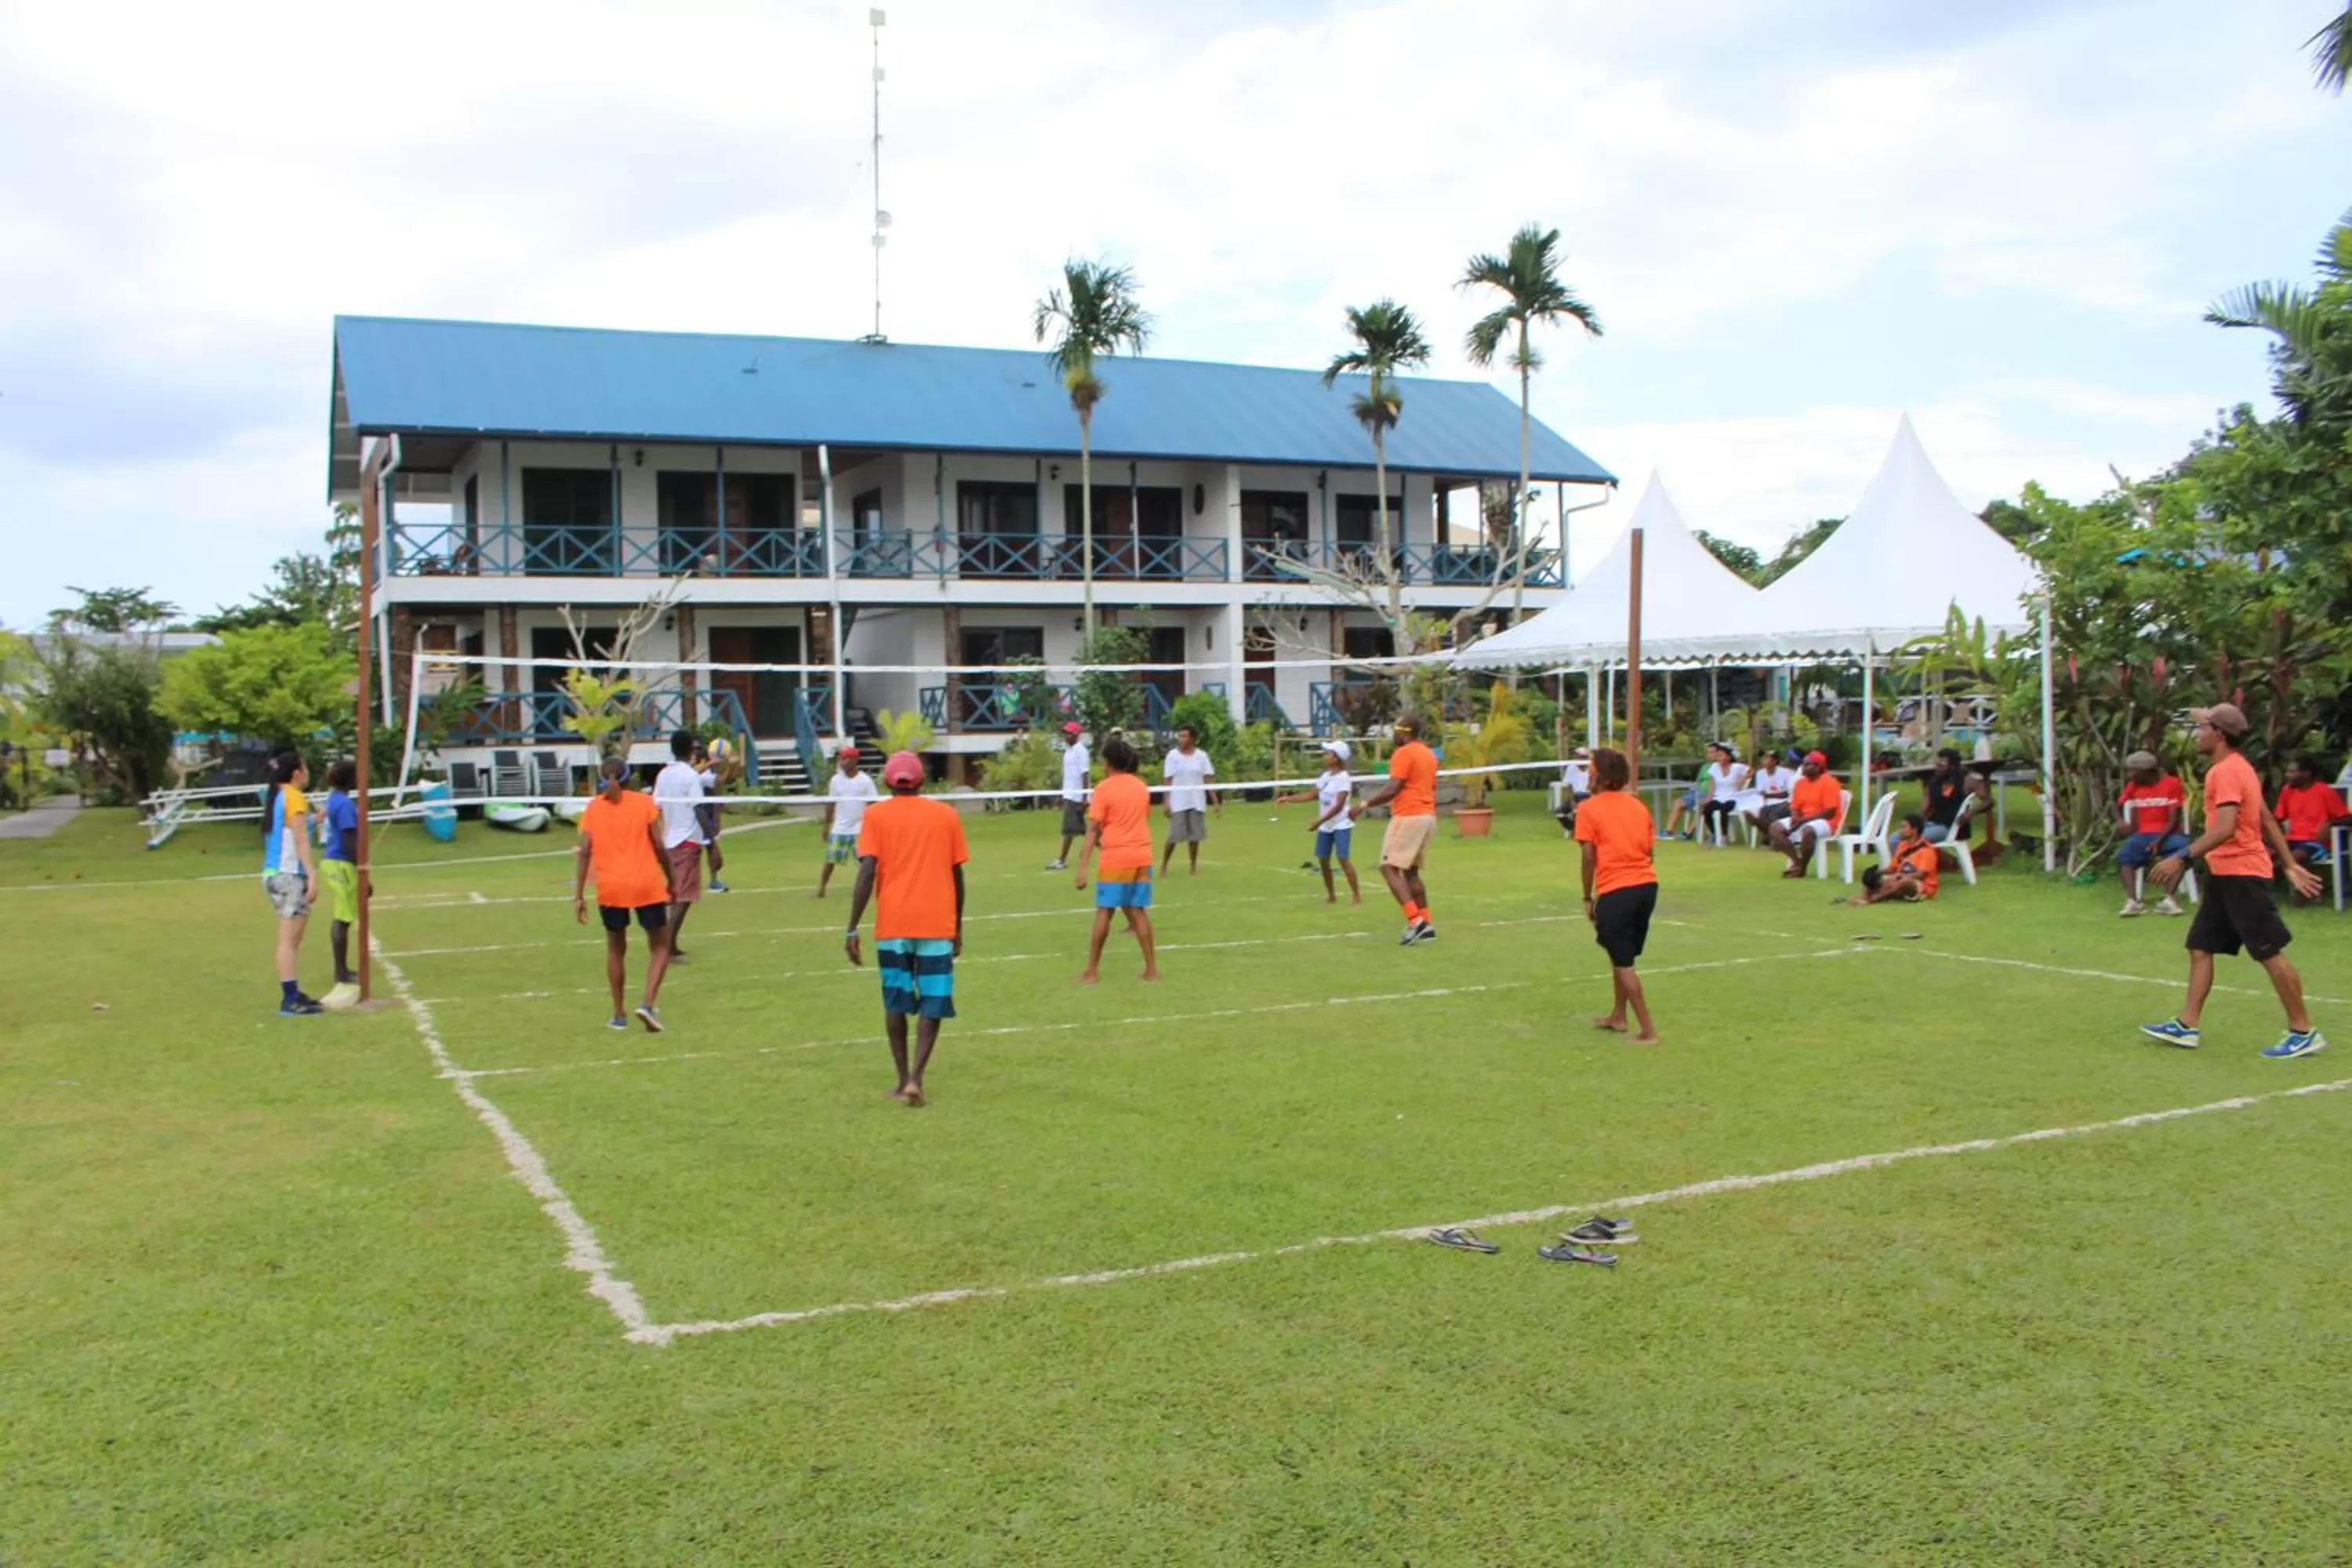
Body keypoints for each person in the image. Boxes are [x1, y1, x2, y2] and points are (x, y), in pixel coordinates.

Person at [2141, 703, 2327, 1059]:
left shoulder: (2224, 773)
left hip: (2242, 874)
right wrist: (2289, 865)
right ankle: (2187, 1025)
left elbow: (2226, 829)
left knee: (2269, 952)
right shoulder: (2241, 768)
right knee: (2200, 947)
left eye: (2203, 729)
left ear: (2219, 735)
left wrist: (2180, 857)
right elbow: (2268, 819)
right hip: (2225, 875)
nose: (2198, 734)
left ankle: (2303, 1030)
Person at [844, 750, 970, 1105]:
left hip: (894, 924)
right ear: (922, 781)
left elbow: (867, 871)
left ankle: (902, 1080)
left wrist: (852, 928)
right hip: (936, 922)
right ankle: (917, 1078)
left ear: (887, 781)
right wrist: (957, 926)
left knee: (895, 1001)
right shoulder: (947, 816)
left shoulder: (875, 816)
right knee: (934, 999)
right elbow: (956, 874)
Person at [574, 757, 675, 1032]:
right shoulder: (644, 803)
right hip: (646, 883)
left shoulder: (594, 808)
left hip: (610, 887)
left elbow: (584, 852)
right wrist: (672, 879)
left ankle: (619, 1015)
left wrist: (579, 895)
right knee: (660, 946)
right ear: (630, 778)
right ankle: (647, 1004)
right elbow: (658, 845)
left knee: (616, 948)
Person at [1576, 746, 1659, 1043]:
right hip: (1646, 886)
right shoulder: (1638, 806)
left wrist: (1587, 895)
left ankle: (1648, 1030)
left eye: (1590, 768)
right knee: (1618, 952)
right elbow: (1650, 850)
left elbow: (1588, 857)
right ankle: (1619, 1016)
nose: (1587, 773)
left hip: (1616, 890)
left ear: (1599, 774)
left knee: (1624, 962)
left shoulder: (1588, 808)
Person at [1076, 733, 1159, 982]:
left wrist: (1082, 866)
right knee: (1138, 911)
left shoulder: (1103, 789)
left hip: (1116, 858)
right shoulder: (1141, 787)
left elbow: (1093, 830)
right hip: (1142, 855)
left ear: (1109, 762)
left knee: (1104, 912)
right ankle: (1152, 970)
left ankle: (1092, 971)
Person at [1357, 715, 1440, 945]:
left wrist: (1365, 805)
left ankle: (1416, 922)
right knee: (1411, 872)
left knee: (1388, 867)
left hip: (1409, 816)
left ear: (1404, 733)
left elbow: (1394, 786)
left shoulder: (1404, 753)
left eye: (1395, 731)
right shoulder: (1429, 754)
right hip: (1427, 816)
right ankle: (1427, 922)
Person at [260, 750, 324, 1016]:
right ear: (297, 772)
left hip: (277, 873)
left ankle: (293, 992)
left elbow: (289, 829)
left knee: (293, 938)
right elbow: (300, 841)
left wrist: (313, 820)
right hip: (288, 875)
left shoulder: (279, 795)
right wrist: (312, 875)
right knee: (288, 940)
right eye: (305, 766)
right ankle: (289, 999)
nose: (308, 771)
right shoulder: (294, 796)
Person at [1278, 740, 1361, 904]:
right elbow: (1311, 795)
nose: (1325, 756)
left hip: (1341, 824)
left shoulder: (1343, 779)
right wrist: (1288, 798)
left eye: (1328, 753)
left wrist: (1319, 821)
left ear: (1337, 758)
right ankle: (1331, 895)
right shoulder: (1325, 777)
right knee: (1323, 860)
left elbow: (1339, 807)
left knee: (1343, 858)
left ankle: (1356, 896)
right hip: (1325, 826)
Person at [2115, 750, 2190, 917]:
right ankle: (2132, 902)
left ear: (2147, 772)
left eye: (2133, 771)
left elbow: (2174, 819)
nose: (2130, 775)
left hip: (2169, 834)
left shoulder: (2172, 784)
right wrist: (2120, 820)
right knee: (2125, 854)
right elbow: (2118, 804)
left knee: (2183, 851)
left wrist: (2159, 841)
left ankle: (2169, 900)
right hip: (2141, 835)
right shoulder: (2134, 785)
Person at [652, 730, 706, 960]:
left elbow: (657, 808)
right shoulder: (689, 775)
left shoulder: (664, 774)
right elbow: (699, 808)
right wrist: (712, 841)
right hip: (687, 840)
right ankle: (666, 948)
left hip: (670, 841)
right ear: (689, 750)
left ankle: (669, 945)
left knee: (677, 894)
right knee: (683, 897)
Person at [318, 760, 365, 1007]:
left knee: (344, 916)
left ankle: (342, 969)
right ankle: (341, 971)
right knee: (343, 917)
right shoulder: (344, 804)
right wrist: (362, 870)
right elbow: (348, 838)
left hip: (336, 862)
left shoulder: (335, 799)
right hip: (340, 862)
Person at [2275, 757, 2349, 895]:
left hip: (2315, 841)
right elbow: (2277, 818)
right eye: (2287, 772)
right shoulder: (2287, 791)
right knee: (2265, 854)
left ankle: (2303, 894)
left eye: (2292, 772)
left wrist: (2330, 823)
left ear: (2306, 774)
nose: (2287, 775)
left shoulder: (2324, 791)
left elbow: (2346, 818)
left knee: (2292, 858)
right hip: (2292, 838)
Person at [815, 745, 880, 898]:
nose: (842, 762)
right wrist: (827, 826)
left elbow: (873, 804)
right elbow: (831, 804)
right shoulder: (836, 780)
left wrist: (874, 827)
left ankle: (870, 889)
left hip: (860, 828)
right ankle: (822, 888)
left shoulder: (865, 781)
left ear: (854, 760)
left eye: (845, 758)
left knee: (865, 863)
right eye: (841, 758)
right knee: (831, 859)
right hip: (840, 828)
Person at [1769, 751, 1845, 878]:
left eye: (1807, 764)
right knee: (1775, 828)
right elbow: (1795, 806)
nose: (1803, 767)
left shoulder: (1829, 782)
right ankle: (1797, 862)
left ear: (1818, 767)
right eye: (1803, 764)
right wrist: (1795, 817)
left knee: (1808, 830)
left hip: (1827, 821)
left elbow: (1829, 812)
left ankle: (1802, 868)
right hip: (1803, 819)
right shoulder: (1800, 783)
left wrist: (1802, 821)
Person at [1159, 725, 1221, 876]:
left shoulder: (1202, 756)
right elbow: (1168, 779)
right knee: (1174, 836)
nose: (1182, 739)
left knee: (1195, 837)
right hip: (1178, 801)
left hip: (1196, 801)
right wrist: (1167, 801)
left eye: (1185, 736)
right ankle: (1164, 865)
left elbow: (1208, 779)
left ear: (1192, 738)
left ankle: (1193, 866)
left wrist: (1215, 801)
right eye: (1180, 736)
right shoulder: (1173, 756)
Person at [1851, 813, 1939, 905]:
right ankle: (1864, 897)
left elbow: (1921, 875)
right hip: (1899, 879)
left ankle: (1872, 900)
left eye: (1904, 827)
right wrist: (1878, 873)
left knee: (1903, 883)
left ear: (1914, 830)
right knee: (1872, 879)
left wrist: (1900, 877)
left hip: (1921, 886)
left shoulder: (1927, 850)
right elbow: (1892, 868)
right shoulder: (1902, 846)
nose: (1900, 831)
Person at [1919, 748, 1987, 846]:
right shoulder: (1934, 782)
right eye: (1937, 765)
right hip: (1931, 824)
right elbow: (1925, 807)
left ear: (1953, 767)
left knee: (1914, 839)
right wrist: (1914, 824)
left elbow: (1988, 801)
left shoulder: (1966, 780)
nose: (1937, 769)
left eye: (1941, 766)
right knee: (1896, 838)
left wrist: (1971, 812)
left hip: (1951, 827)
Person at [1049, 721, 1091, 870]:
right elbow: (1068, 776)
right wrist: (1062, 794)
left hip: (1077, 796)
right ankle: (1110, 852)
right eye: (1065, 733)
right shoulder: (1068, 752)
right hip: (1069, 794)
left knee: (1069, 830)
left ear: (1076, 735)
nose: (1065, 736)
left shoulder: (1081, 751)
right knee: (1085, 830)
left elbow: (1084, 773)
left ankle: (1061, 860)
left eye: (1068, 733)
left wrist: (1085, 797)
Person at [1696, 741, 1750, 846]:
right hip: (1718, 797)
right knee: (1708, 809)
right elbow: (1712, 786)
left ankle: (1724, 836)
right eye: (1718, 756)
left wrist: (1743, 778)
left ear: (1728, 757)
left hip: (1733, 797)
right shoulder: (1714, 767)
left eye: (1721, 755)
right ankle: (1715, 833)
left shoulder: (1736, 767)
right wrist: (1709, 798)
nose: (1719, 758)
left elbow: (1750, 770)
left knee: (1722, 810)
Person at [693, 743, 728, 894]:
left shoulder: (705, 775)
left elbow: (720, 784)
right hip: (697, 818)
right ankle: (703, 881)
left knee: (710, 849)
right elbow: (720, 780)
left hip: (705, 817)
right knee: (701, 850)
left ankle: (713, 881)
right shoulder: (700, 776)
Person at [1740, 749, 1796, 838]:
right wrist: (1765, 796)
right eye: (1763, 759)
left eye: (1767, 759)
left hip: (1782, 802)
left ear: (1775, 761)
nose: (1764, 761)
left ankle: (1771, 837)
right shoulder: (1760, 773)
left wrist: (1767, 795)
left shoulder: (1786, 773)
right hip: (1764, 801)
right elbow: (1761, 792)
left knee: (1766, 813)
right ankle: (1769, 835)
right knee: (1748, 814)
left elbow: (1787, 794)